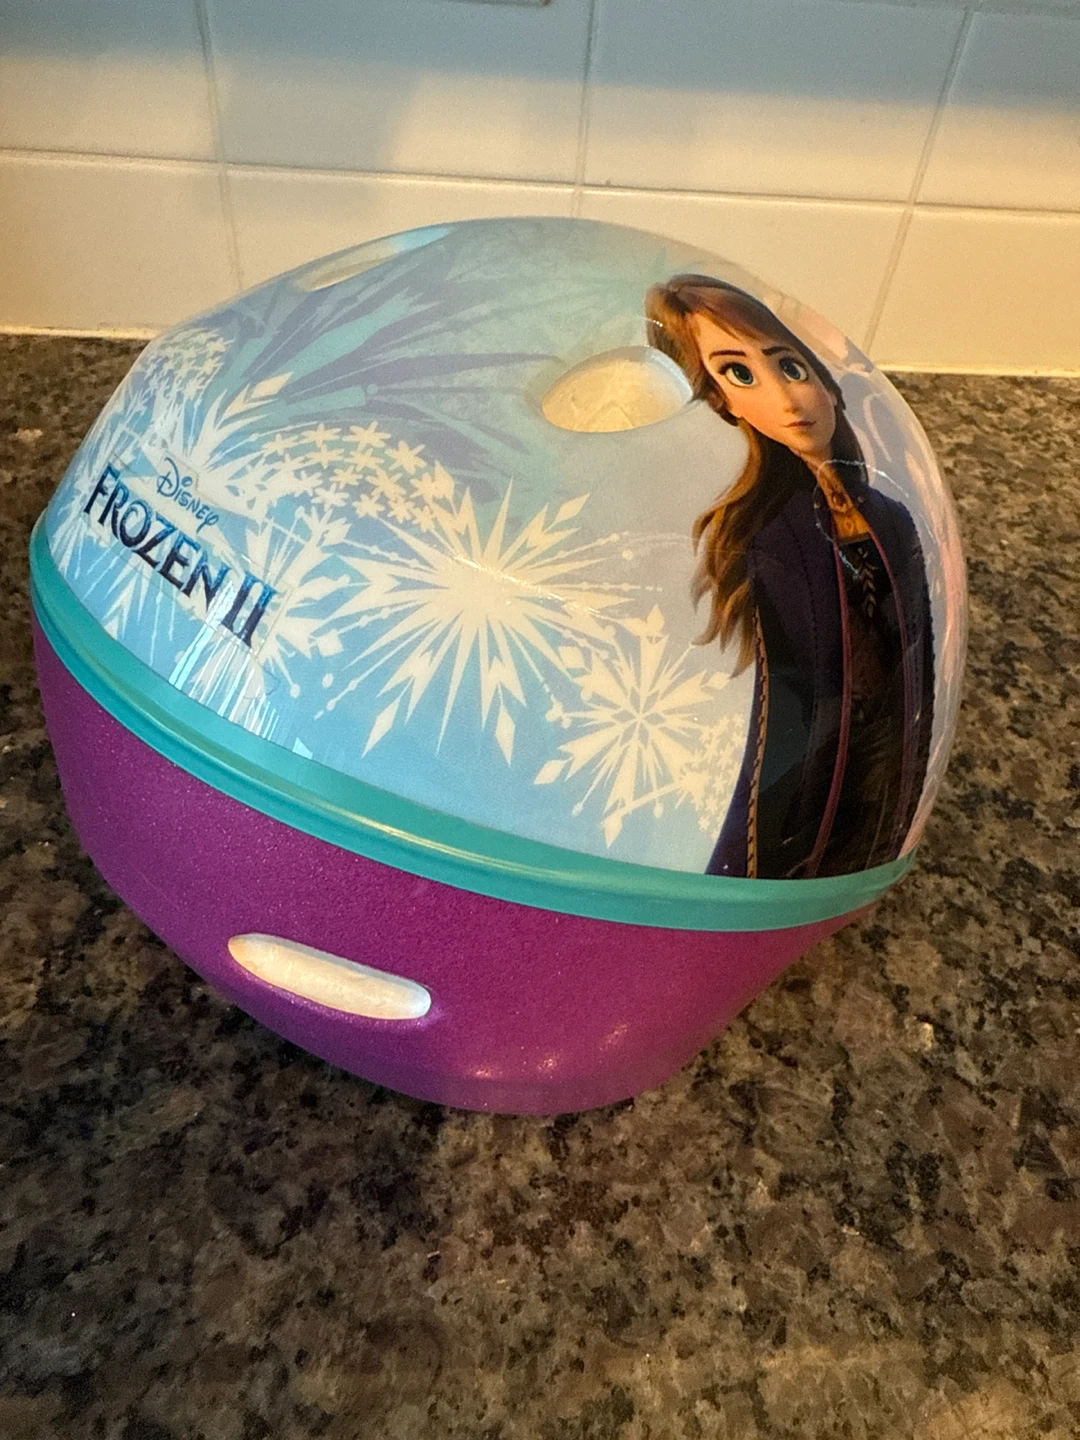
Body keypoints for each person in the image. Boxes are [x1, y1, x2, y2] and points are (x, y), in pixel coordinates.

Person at [645, 275, 934, 879]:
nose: (786, 398)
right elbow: (785, 719)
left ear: (825, 380)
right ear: (722, 402)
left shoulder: (891, 515)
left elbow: (920, 664)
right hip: (811, 795)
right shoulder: (770, 536)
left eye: (791, 367)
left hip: (892, 767)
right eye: (739, 374)